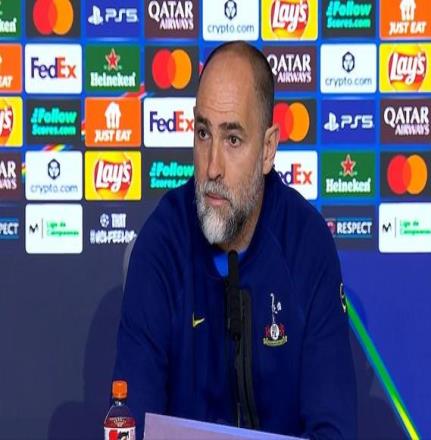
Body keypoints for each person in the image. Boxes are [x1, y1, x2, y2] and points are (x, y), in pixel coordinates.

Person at [113, 41, 357, 439]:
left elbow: (334, 429)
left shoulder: (306, 244)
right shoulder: (161, 243)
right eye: (203, 133)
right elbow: (131, 420)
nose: (212, 167)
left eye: (233, 140)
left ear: (268, 149)